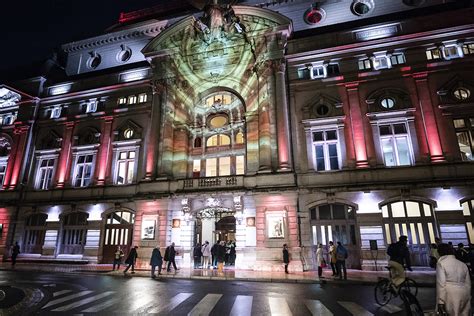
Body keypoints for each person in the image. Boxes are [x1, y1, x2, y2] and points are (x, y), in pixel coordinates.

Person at [436, 243, 471, 316]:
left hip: (450, 294)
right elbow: (468, 283)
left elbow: (441, 284)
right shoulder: (462, 264)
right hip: (464, 293)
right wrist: (469, 296)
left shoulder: (441, 263)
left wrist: (440, 301)